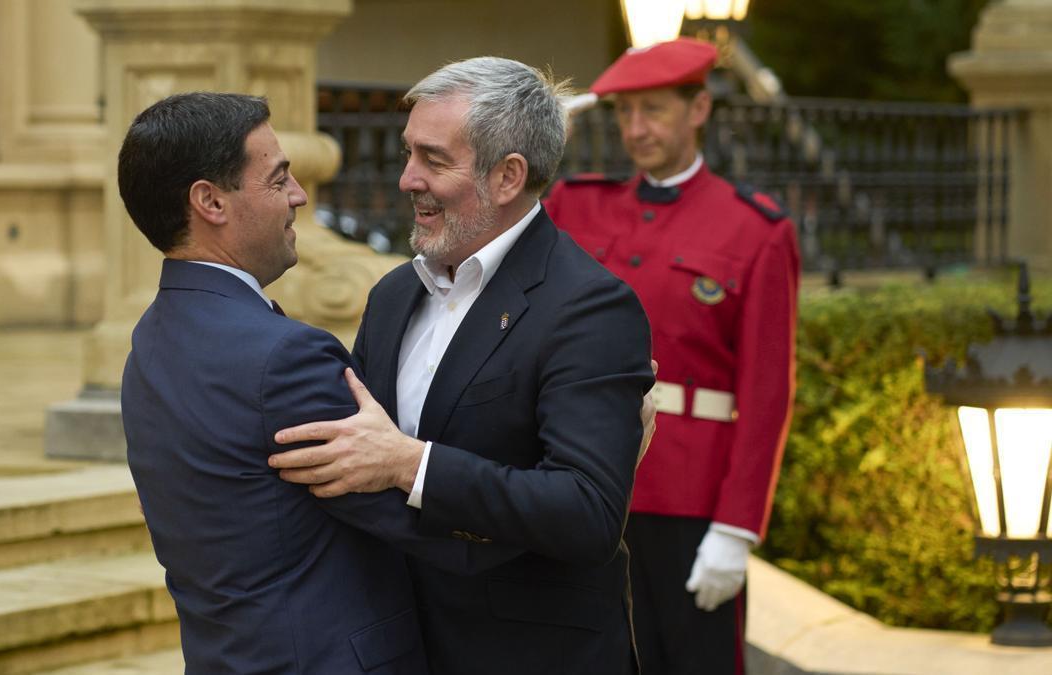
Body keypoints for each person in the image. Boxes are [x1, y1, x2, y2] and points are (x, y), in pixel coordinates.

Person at [270, 57, 657, 675]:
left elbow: (587, 512)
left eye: (434, 160)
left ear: (508, 177)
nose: (406, 179)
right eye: (407, 154)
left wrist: (409, 465)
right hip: (398, 644)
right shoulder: (395, 293)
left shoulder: (588, 306)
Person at [119, 92, 527, 674]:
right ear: (210, 201)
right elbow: (424, 519)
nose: (299, 197)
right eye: (278, 178)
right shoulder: (283, 357)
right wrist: (576, 494)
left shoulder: (152, 337)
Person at [543, 38, 801, 675]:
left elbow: (766, 392)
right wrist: (545, 128)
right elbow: (499, 223)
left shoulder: (756, 230)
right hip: (581, 474)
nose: (636, 129)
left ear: (699, 109)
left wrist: (738, 530)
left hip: (691, 496)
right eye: (625, 113)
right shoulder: (578, 204)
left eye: (654, 110)